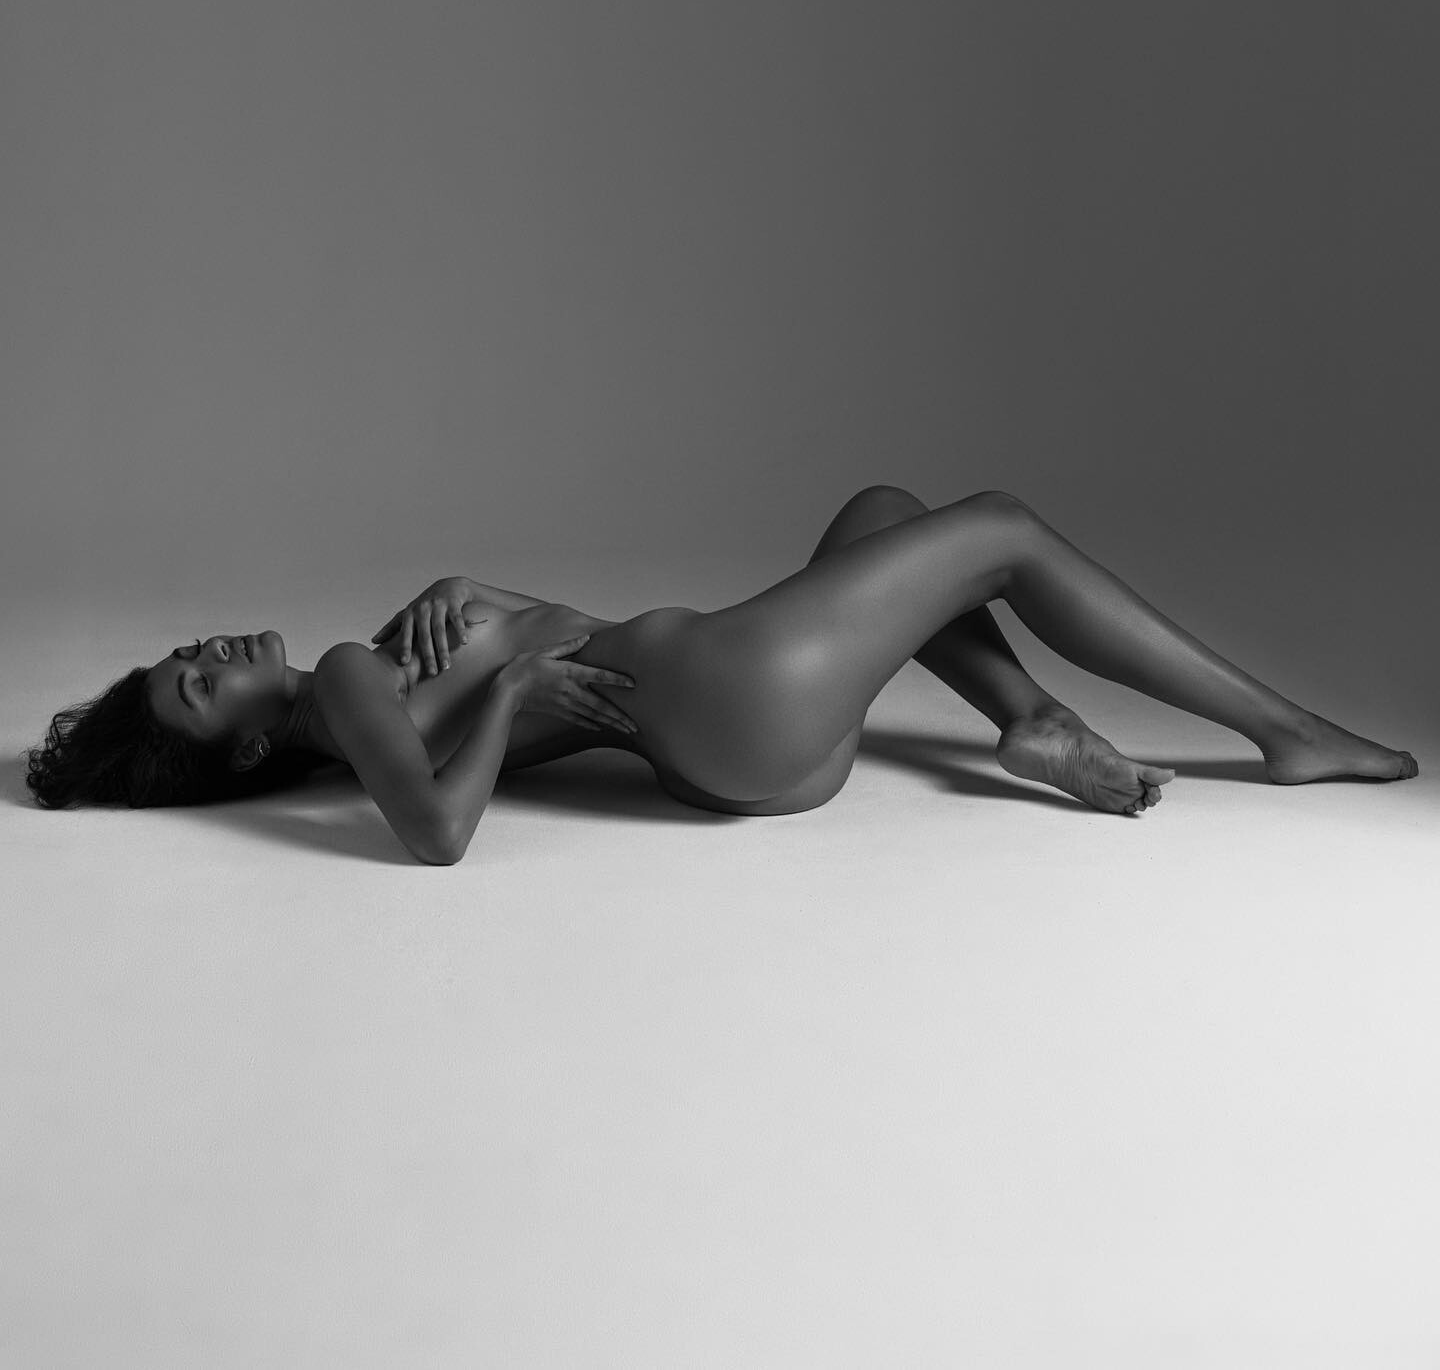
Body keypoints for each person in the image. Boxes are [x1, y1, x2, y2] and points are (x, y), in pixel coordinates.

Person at [25, 484, 1418, 863]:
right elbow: (439, 835)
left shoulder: (359, 690)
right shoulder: (339, 680)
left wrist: (469, 605)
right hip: (738, 696)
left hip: (733, 752)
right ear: (243, 747)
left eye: (182, 652)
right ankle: (1289, 732)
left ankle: (1034, 719)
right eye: (197, 685)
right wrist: (505, 692)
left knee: (881, 512)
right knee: (997, 528)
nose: (205, 652)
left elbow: (493, 677)